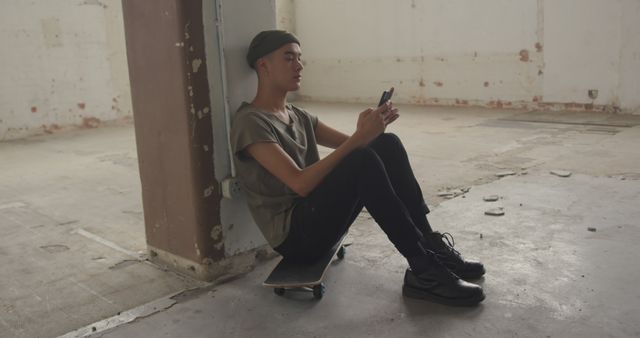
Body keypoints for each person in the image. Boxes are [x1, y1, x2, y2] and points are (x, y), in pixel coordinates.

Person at [230, 30, 486, 306]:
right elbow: (299, 183)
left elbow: (358, 145)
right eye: (289, 58)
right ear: (264, 65)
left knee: (386, 144)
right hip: (296, 237)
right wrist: (360, 138)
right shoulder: (251, 121)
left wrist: (373, 129)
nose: (299, 65)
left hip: (318, 217)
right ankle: (424, 270)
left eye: (300, 58)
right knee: (360, 160)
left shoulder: (298, 115)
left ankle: (431, 245)